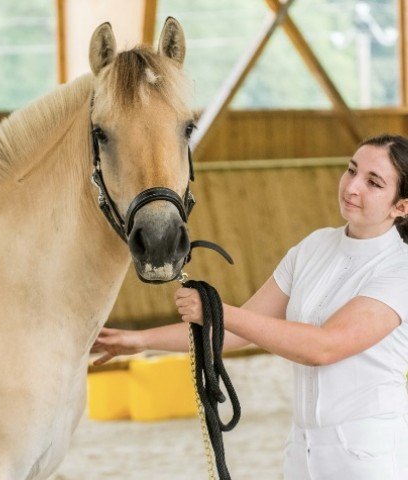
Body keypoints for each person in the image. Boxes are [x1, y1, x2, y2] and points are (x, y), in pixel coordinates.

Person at [92, 134, 408, 479]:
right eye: (352, 171)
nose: (352, 187)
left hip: (370, 457)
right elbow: (236, 333)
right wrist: (137, 342)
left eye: (373, 183)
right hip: (303, 452)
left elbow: (324, 346)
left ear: (401, 207)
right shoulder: (314, 247)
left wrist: (218, 309)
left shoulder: (399, 270)